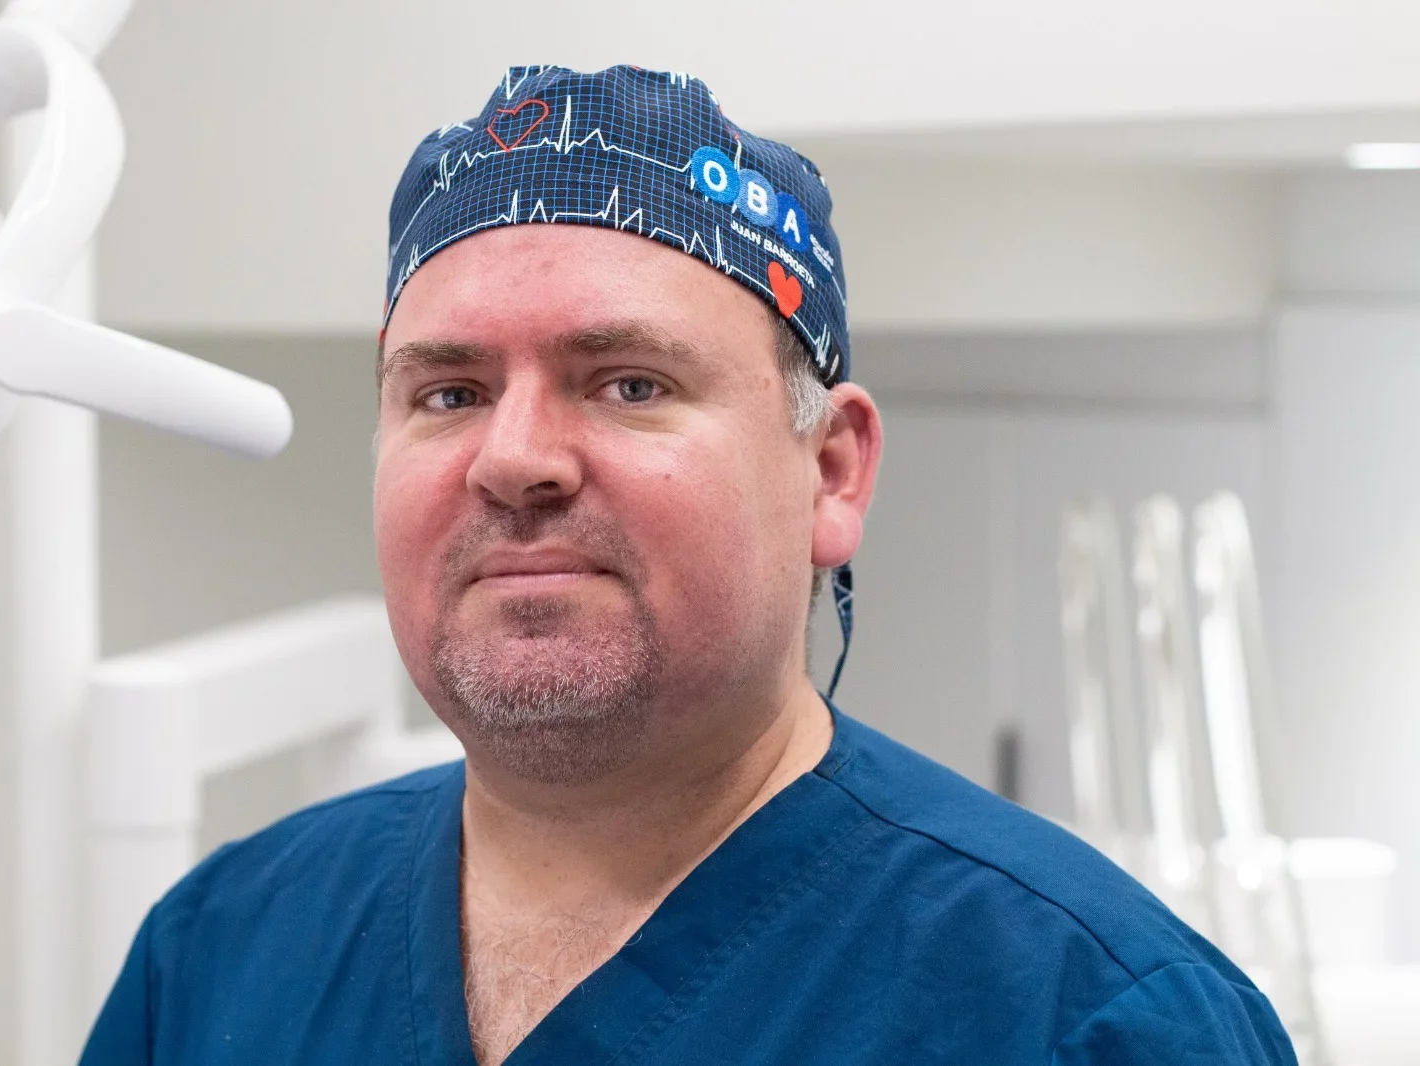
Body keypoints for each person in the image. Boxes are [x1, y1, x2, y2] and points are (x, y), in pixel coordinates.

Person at [81, 65, 1296, 1065]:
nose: (513, 460)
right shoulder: (220, 955)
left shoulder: (1082, 1016)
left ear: (830, 471)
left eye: (628, 383)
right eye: (448, 392)